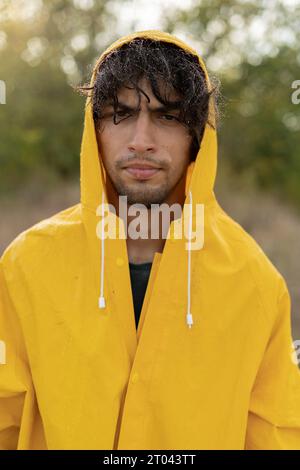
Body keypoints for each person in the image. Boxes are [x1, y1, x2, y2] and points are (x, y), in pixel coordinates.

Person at [0, 30, 299, 450]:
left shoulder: (255, 285)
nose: (141, 141)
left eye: (168, 116)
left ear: (197, 137)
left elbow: (276, 435)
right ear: (95, 129)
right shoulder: (25, 267)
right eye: (120, 113)